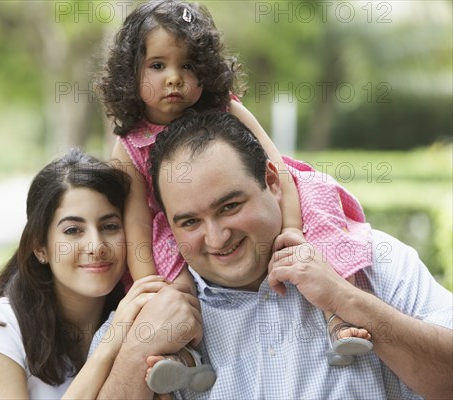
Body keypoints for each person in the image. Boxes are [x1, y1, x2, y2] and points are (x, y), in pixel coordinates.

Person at [98, 0, 371, 392]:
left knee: (319, 204)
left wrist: (292, 230)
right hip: (182, 227)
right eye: (157, 66)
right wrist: (151, 287)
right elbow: (137, 221)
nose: (173, 78)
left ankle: (339, 316)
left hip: (262, 199)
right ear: (131, 75)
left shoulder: (225, 107)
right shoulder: (130, 146)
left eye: (187, 66)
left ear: (205, 70)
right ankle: (184, 356)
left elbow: (276, 168)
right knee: (176, 286)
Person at [94, 111, 453, 399]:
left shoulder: (371, 262)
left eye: (230, 206)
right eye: (189, 222)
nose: (217, 237)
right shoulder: (146, 313)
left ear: (273, 181)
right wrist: (136, 352)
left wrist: (344, 297)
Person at [0, 148, 172, 399]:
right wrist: (111, 343)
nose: (96, 246)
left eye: (110, 226)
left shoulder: (138, 315)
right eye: (73, 230)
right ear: (40, 247)